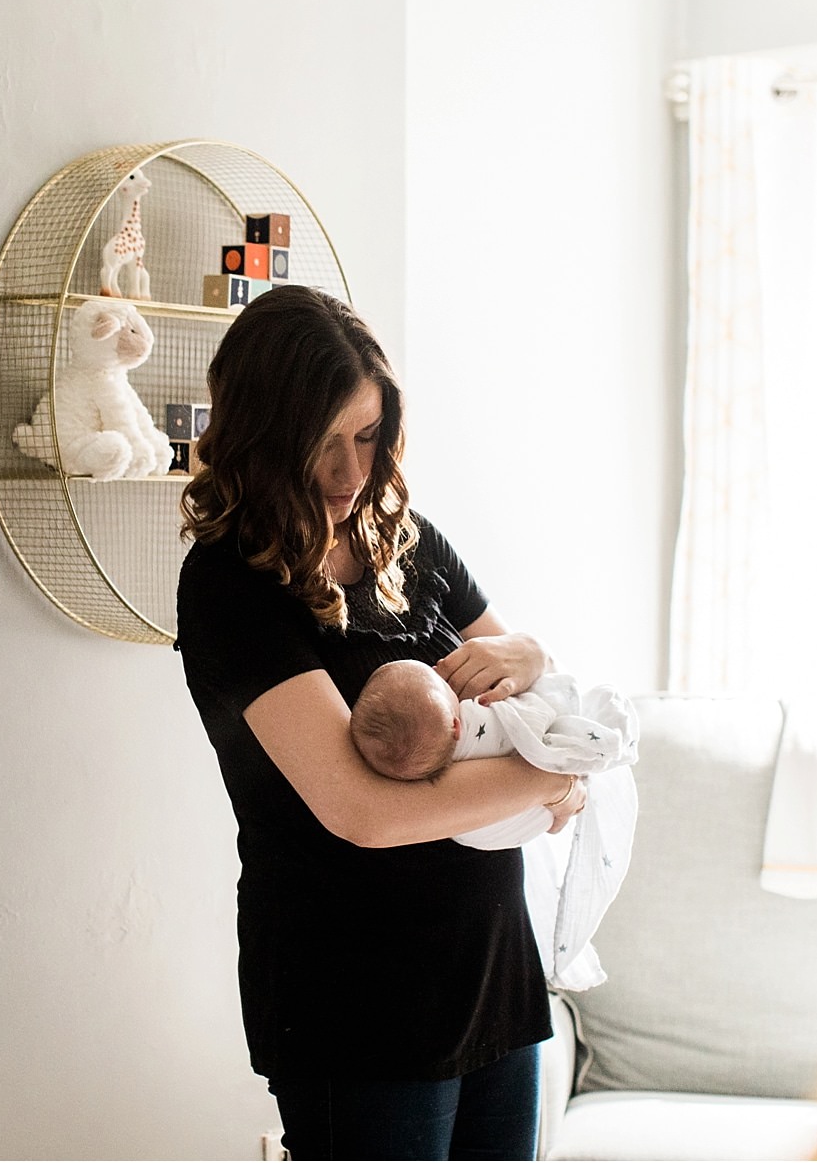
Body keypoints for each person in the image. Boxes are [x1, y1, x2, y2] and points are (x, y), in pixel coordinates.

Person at [175, 285, 586, 1161]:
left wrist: (535, 655)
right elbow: (363, 810)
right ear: (260, 438)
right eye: (320, 443)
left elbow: (524, 683)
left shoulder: (408, 539)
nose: (350, 473)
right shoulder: (231, 585)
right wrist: (547, 779)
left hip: (492, 973)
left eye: (366, 435)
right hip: (355, 999)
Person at [349, 659, 641, 992]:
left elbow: (540, 663)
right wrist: (556, 785)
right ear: (458, 727)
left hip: (498, 950)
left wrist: (530, 651)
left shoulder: (441, 799)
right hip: (461, 954)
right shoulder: (479, 722)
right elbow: (538, 710)